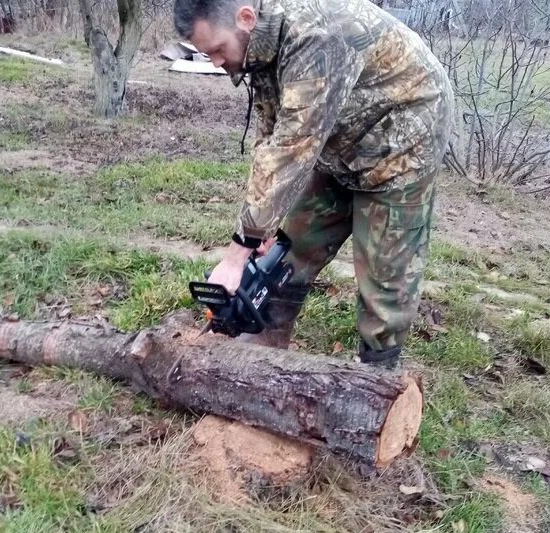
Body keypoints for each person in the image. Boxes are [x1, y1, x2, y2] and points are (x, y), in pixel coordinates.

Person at [173, 0, 454, 368]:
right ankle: (264, 342)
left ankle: (378, 375)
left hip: (404, 135)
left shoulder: (314, 36)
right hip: (342, 134)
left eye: (217, 49)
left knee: (384, 277)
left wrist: (236, 256)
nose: (214, 62)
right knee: (292, 246)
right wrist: (260, 228)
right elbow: (271, 140)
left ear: (245, 18)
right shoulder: (262, 41)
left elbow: (292, 149)